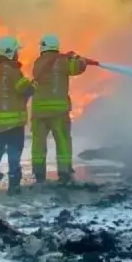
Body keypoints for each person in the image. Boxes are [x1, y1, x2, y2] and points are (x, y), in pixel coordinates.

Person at [30, 33, 89, 184]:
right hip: (58, 113)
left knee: (38, 143)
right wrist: (80, 60)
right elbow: (77, 68)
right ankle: (64, 172)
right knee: (62, 141)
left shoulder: (37, 62)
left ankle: (39, 174)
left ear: (43, 47)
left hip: (39, 112)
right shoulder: (62, 62)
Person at [0, 36, 34, 195]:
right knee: (14, 153)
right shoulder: (12, 71)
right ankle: (13, 187)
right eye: (16, 50)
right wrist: (33, 85)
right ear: (10, 52)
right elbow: (24, 89)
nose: (18, 54)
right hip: (13, 123)